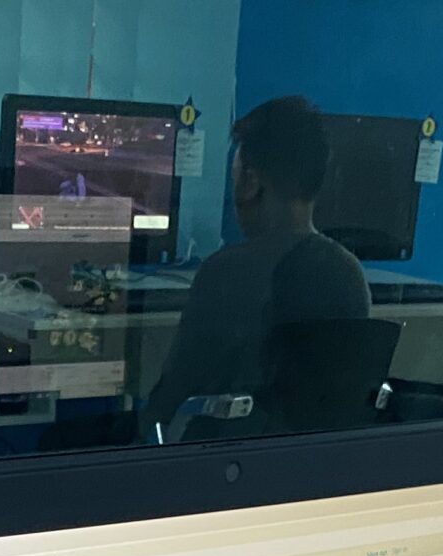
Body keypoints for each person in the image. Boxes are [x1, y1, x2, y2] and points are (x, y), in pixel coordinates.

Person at [138, 95, 371, 438]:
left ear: (250, 182)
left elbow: (169, 401)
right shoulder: (349, 273)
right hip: (311, 461)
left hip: (224, 461)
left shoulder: (225, 272)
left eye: (234, 175)